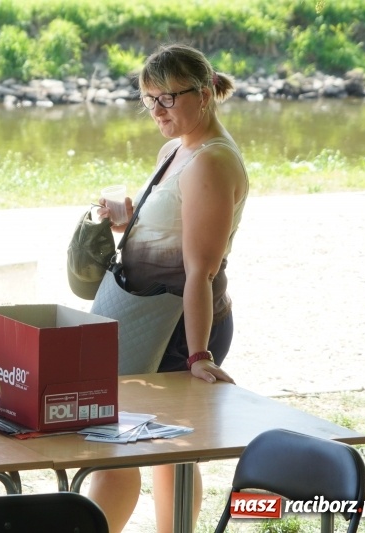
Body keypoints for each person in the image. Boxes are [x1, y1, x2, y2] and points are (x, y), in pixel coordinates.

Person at [88, 43, 249, 532]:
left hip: (182, 327)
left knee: (142, 447)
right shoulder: (177, 148)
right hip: (149, 316)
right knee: (144, 445)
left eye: (167, 99)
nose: (156, 110)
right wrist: (126, 219)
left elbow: (199, 268)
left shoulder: (211, 161)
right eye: (148, 99)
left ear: (203, 96)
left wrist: (199, 356)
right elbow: (171, 227)